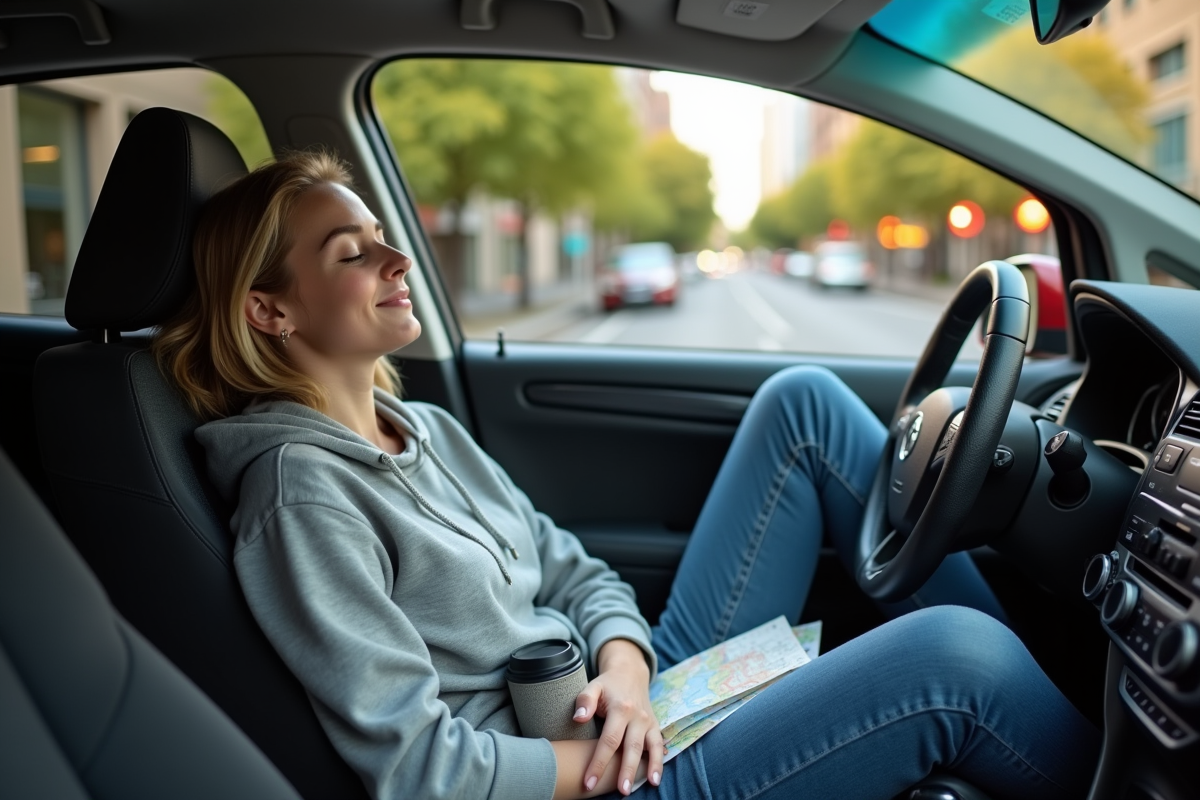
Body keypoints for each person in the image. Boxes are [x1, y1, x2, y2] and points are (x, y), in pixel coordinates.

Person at [156, 152, 1100, 800]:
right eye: (352, 253)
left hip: (623, 707)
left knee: (802, 403)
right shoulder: (301, 497)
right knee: (954, 659)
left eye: (382, 237)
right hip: (592, 781)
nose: (398, 258)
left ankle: (1047, 692)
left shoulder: (425, 427)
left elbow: (572, 571)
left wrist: (629, 671)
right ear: (270, 312)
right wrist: (605, 754)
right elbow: (423, 773)